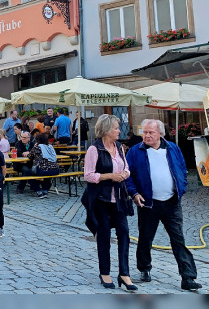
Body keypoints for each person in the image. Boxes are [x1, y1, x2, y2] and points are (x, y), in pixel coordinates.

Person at [126, 119, 201, 291]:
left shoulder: (173, 148)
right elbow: (127, 175)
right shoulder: (135, 151)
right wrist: (134, 193)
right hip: (148, 203)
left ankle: (188, 277)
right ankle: (144, 268)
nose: (146, 136)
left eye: (150, 132)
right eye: (144, 132)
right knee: (145, 238)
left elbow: (182, 169)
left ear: (160, 133)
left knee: (178, 239)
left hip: (171, 202)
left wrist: (181, 188)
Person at [81, 114, 136, 291]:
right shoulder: (94, 149)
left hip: (119, 198)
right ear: (106, 130)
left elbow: (126, 168)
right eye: (116, 128)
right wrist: (110, 176)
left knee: (124, 234)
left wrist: (123, 174)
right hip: (101, 199)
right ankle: (104, 272)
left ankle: (124, 274)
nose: (119, 131)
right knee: (104, 236)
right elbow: (88, 175)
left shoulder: (119, 147)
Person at [25, 133, 60, 197]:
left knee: (27, 173)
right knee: (47, 174)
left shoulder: (38, 147)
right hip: (56, 170)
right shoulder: (50, 147)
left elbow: (30, 156)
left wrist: (27, 153)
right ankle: (45, 190)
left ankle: (38, 190)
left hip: (44, 170)